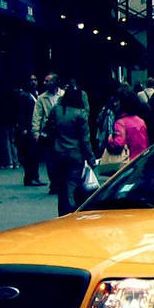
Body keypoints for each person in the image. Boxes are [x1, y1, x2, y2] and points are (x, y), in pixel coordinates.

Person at [46, 85, 93, 214]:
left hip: (58, 152)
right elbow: (85, 139)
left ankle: (62, 212)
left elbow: (49, 129)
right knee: (71, 185)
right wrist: (91, 158)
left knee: (61, 186)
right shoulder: (80, 114)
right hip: (75, 153)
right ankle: (71, 210)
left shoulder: (56, 110)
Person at [13, 76, 43, 185]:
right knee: (29, 154)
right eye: (31, 80)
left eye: (35, 80)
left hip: (35, 128)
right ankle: (29, 177)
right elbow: (21, 113)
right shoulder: (24, 96)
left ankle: (35, 176)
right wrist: (23, 128)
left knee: (35, 154)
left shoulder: (36, 94)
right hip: (28, 128)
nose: (33, 82)